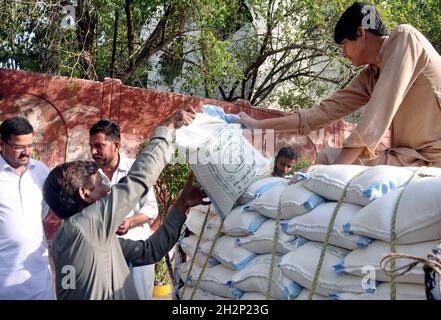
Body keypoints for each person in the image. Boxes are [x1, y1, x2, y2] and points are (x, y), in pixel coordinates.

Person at [238, 2, 441, 167]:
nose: (343, 53)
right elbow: (321, 114)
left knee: (327, 162)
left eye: (344, 44)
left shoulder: (404, 39)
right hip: (409, 159)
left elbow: (376, 116)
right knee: (326, 158)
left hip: (433, 161)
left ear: (361, 34)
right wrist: (258, 125)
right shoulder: (372, 74)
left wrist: (335, 170)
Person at [43, 108, 208, 300]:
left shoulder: (85, 237)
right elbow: (139, 179)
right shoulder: (84, 225)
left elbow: (149, 251)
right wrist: (168, 127)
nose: (108, 189)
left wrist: (182, 204)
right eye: (101, 183)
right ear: (85, 194)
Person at [89, 119, 159, 300]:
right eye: (91, 146)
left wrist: (130, 222)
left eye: (99, 146)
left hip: (136, 249)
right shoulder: (89, 175)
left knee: (139, 295)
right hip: (103, 253)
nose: (93, 152)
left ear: (116, 145)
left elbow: (151, 208)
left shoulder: (135, 171)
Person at [0, 117, 54, 299]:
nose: (26, 152)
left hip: (39, 276)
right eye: (19, 147)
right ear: (2, 144)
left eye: (30, 145)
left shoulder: (40, 171)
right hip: (4, 278)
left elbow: (45, 209)